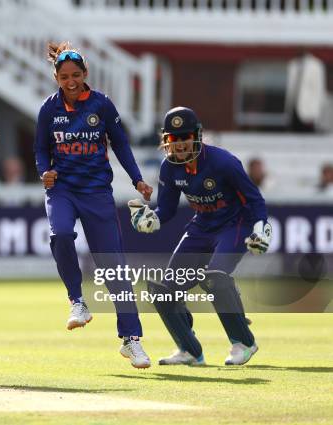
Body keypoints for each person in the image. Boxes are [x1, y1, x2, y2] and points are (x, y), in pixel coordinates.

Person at [33, 42, 153, 368]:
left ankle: (132, 340)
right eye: (64, 76)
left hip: (97, 192)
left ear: (85, 74)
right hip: (62, 190)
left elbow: (121, 143)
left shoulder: (101, 104)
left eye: (76, 75)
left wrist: (137, 179)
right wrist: (44, 171)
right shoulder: (48, 109)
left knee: (113, 265)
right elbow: (41, 149)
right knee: (59, 235)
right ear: (56, 77)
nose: (70, 81)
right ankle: (77, 301)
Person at [129, 106, 271, 366]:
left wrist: (261, 225)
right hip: (201, 226)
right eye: (174, 138)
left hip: (234, 224)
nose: (180, 144)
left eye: (185, 137)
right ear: (166, 140)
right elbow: (168, 209)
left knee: (216, 277)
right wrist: (154, 218)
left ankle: (243, 342)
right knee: (165, 291)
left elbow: (254, 198)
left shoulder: (223, 162)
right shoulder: (169, 168)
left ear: (197, 135)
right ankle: (189, 350)